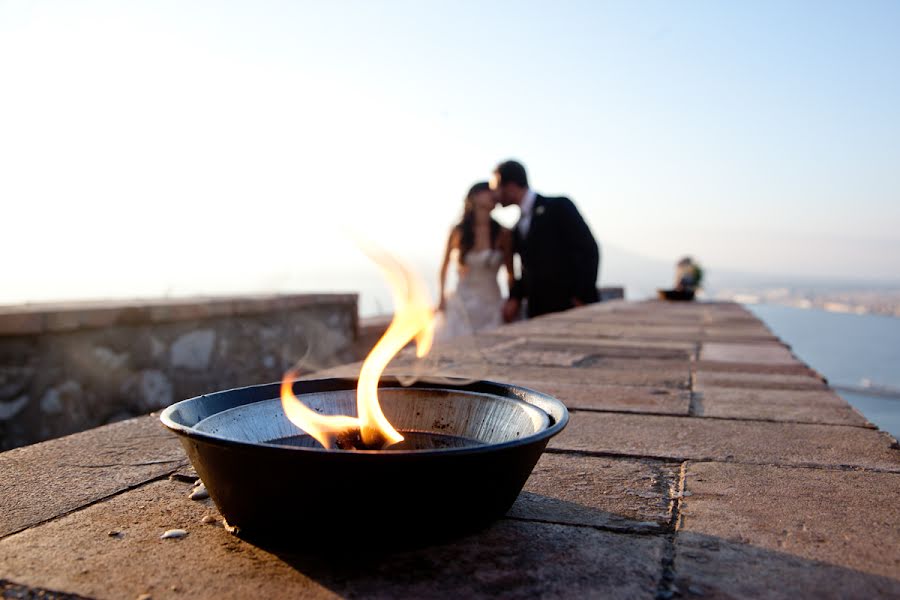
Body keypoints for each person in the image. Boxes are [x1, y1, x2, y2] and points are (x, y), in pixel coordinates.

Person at [491, 160, 600, 321]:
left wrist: (580, 296)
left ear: (511, 186)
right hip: (538, 312)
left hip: (572, 309)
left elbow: (588, 250)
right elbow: (529, 269)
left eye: (496, 189)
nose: (495, 195)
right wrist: (515, 297)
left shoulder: (559, 206)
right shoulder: (516, 226)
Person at [436, 182, 514, 338]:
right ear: (475, 197)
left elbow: (510, 272)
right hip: (462, 303)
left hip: (492, 303)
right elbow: (444, 267)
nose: (493, 195)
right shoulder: (458, 231)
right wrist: (441, 298)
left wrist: (511, 300)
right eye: (488, 191)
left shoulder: (503, 233)